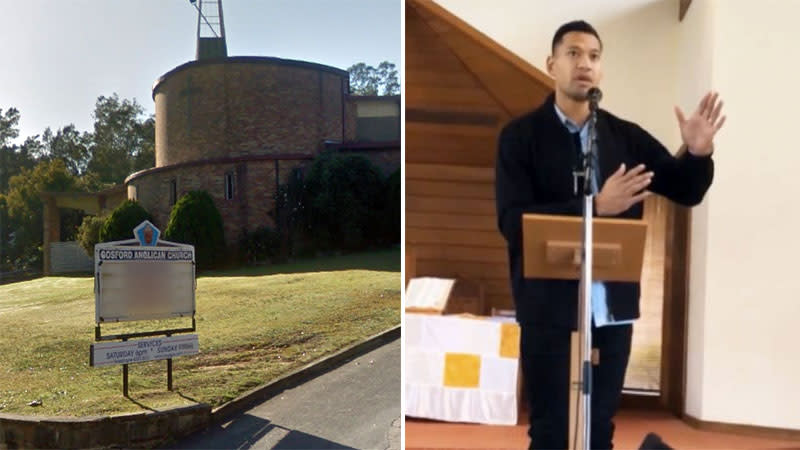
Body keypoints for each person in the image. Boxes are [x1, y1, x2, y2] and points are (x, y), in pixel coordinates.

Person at [495, 20, 725, 449]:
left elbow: (686, 189)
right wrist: (594, 207)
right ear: (552, 63)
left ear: (601, 71)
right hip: (548, 310)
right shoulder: (520, 138)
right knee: (550, 429)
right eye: (574, 53)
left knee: (599, 426)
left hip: (611, 310)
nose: (585, 64)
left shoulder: (625, 138)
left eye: (595, 57)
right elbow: (512, 222)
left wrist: (698, 152)